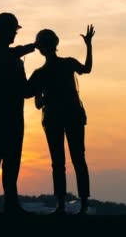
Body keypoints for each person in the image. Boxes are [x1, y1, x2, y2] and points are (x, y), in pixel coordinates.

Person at [25, 25, 95, 215]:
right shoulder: (67, 63)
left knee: (59, 162)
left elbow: (31, 98)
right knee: (78, 159)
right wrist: (89, 46)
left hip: (55, 119)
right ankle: (83, 205)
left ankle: (62, 205)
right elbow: (87, 69)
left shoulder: (40, 73)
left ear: (41, 49)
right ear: (55, 44)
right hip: (72, 116)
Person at [0, 12, 37, 215]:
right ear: (0, 30)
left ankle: (10, 204)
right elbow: (8, 55)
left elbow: (26, 91)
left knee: (11, 161)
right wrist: (33, 46)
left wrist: (41, 79)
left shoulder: (15, 60)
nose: (14, 34)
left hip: (13, 116)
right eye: (12, 30)